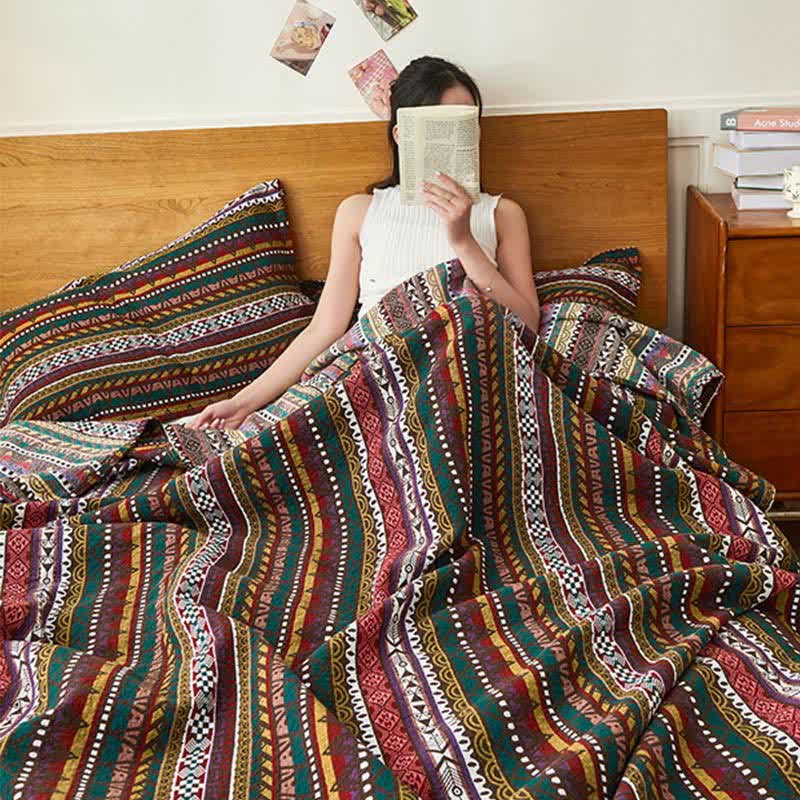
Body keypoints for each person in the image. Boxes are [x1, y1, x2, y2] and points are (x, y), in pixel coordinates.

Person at [190, 56, 540, 431]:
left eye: (466, 124)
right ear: (402, 135)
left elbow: (528, 322)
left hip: (460, 371)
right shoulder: (359, 211)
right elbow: (325, 328)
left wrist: (464, 241)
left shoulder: (503, 214)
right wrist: (241, 403)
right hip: (378, 368)